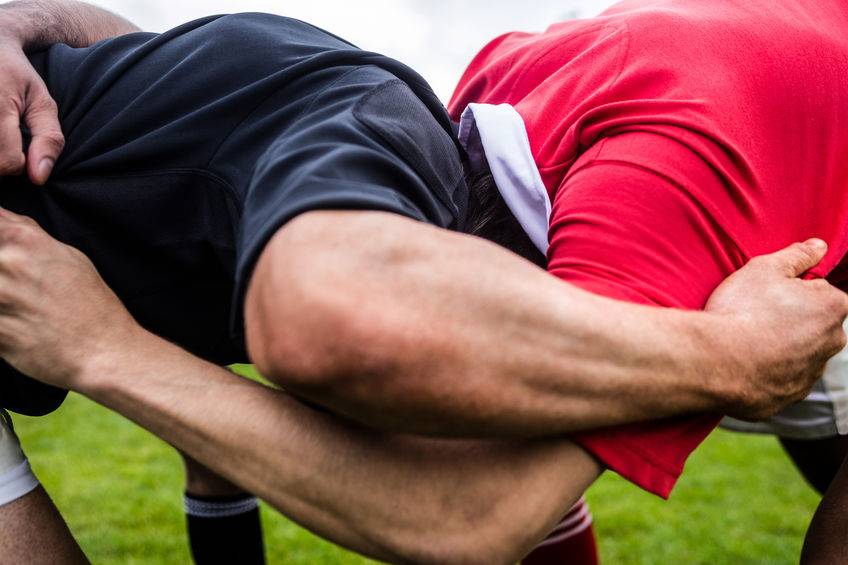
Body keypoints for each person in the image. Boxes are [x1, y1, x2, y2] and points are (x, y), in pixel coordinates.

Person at [0, 1, 846, 563]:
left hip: (775, 225)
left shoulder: (664, 187)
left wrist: (105, 350)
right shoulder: (503, 109)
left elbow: (469, 511)